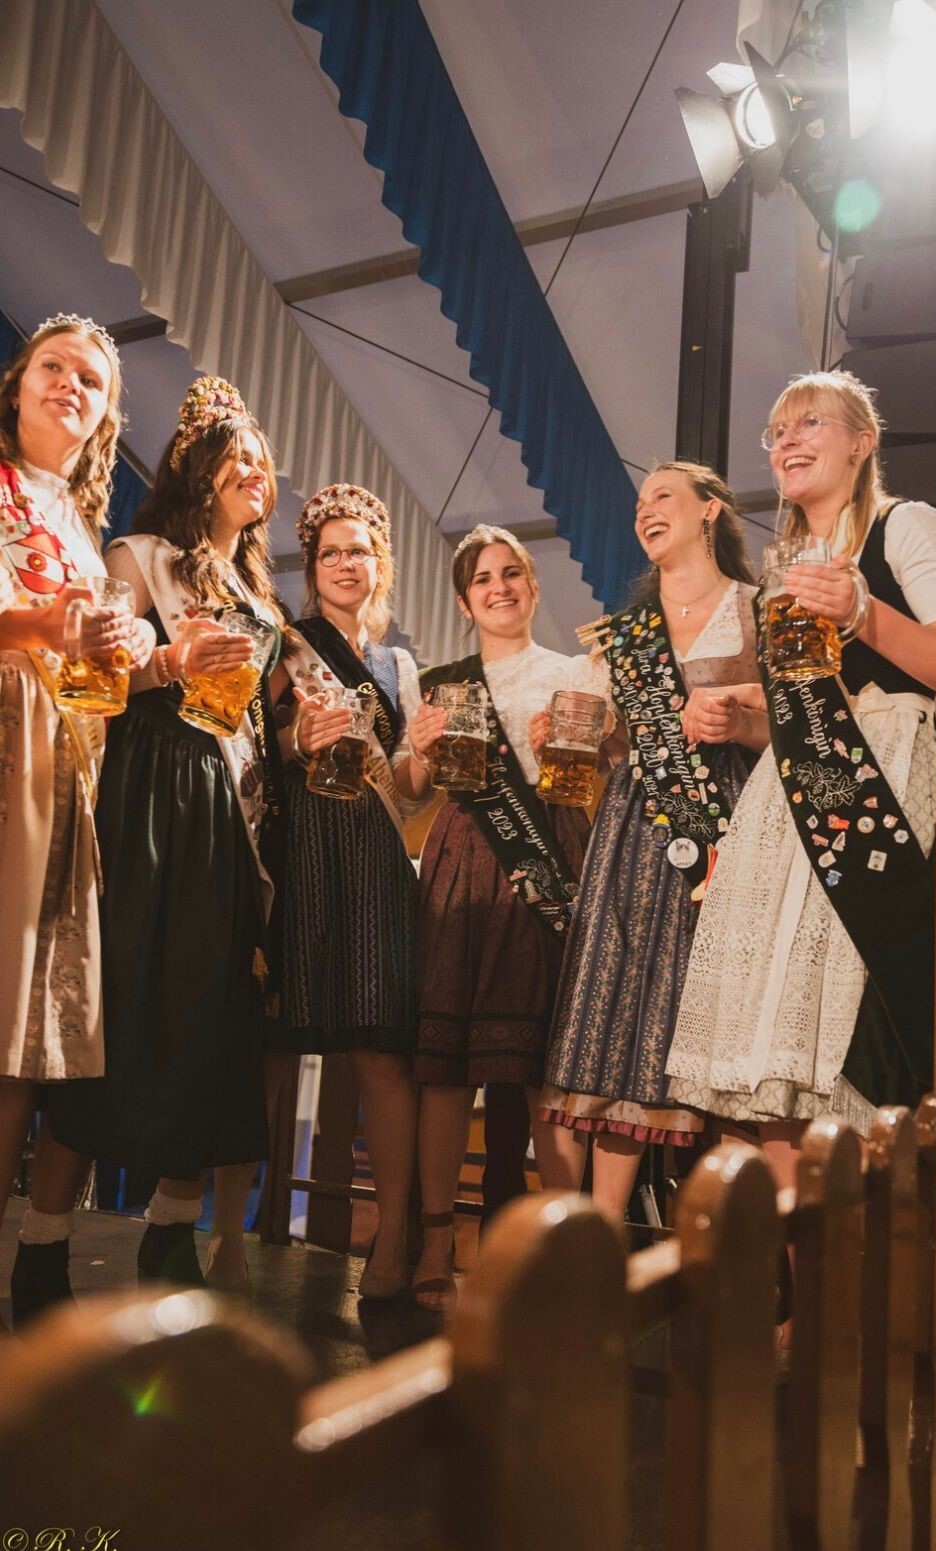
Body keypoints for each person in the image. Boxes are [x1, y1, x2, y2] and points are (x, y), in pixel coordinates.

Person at [666, 370, 936, 1160]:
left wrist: (863, 611)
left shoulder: (907, 527)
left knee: (846, 1028)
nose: (787, 439)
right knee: (771, 1043)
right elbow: (801, 719)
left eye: (810, 422)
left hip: (878, 778)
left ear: (862, 442)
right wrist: (739, 719)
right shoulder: (781, 569)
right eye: (778, 431)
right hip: (788, 796)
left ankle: (859, 1227)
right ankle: (793, 1237)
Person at [47, 376, 288, 1290]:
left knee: (214, 1012)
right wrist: (171, 661)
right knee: (127, 1002)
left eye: (262, 462)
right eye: (238, 459)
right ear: (197, 471)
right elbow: (97, 682)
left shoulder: (260, 592)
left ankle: (172, 1228)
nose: (255, 472)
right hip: (153, 787)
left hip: (231, 809)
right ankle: (42, 1239)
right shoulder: (139, 554)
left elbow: (261, 720)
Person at [538, 462, 765, 1222]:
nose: (645, 511)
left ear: (710, 511)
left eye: (662, 495)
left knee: (714, 1016)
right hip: (636, 825)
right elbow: (613, 746)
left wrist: (737, 717)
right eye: (639, 503)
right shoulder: (624, 632)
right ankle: (595, 1238)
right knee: (615, 1009)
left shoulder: (758, 609)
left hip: (730, 828)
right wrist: (572, 735)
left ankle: (727, 1239)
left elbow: (795, 723)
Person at [403, 524, 601, 1308]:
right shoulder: (441, 682)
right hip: (462, 856)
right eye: (483, 578)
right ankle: (435, 1244)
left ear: (532, 584)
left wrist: (584, 744)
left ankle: (561, 1251)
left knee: (549, 1066)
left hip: (551, 851)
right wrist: (419, 748)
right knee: (448, 1066)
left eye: (511, 572)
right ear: (464, 600)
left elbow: (600, 776)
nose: (499, 587)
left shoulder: (575, 671)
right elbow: (414, 789)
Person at [0, 314, 153, 1324]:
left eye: (91, 380)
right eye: (53, 366)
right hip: (3, 746)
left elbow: (98, 669)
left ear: (104, 418)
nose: (70, 385)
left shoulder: (79, 524)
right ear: (17, 384)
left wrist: (140, 655)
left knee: (29, 1032)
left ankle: (31, 1253)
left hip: (67, 771)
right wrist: (45, 624)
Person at [269, 483, 423, 1300]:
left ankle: (392, 1238)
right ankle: (232, 1230)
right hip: (302, 846)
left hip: (374, 854)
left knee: (381, 1051)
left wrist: (426, 756)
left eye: (358, 550)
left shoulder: (399, 665)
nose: (344, 563)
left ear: (380, 562)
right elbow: (261, 744)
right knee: (272, 1043)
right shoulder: (285, 643)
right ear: (312, 567)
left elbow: (407, 787)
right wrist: (300, 736)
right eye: (330, 552)